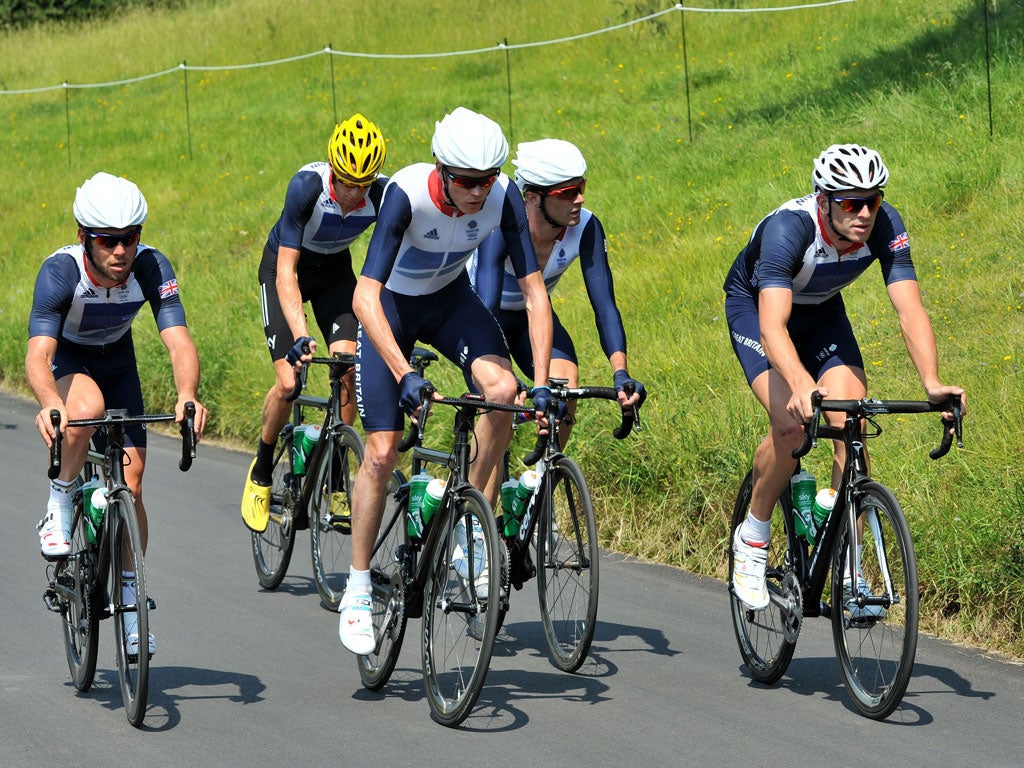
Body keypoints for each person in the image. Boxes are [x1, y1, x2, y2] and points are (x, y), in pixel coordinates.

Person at [338, 106, 554, 654]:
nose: (480, 193)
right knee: (383, 452)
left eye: (489, 179)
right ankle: (359, 585)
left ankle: (466, 519)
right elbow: (364, 297)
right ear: (441, 169)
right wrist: (403, 371)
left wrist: (545, 380)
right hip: (392, 310)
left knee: (504, 393)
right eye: (467, 182)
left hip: (450, 301)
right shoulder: (405, 196)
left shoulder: (501, 195)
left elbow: (533, 291)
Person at [723, 143, 965, 613]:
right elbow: (773, 327)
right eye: (851, 202)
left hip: (822, 312)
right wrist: (798, 383)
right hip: (757, 310)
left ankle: (850, 564)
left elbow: (909, 310)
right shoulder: (787, 231)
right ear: (823, 201)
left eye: (872, 200)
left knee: (849, 418)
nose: (865, 213)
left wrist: (932, 382)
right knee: (791, 425)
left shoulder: (886, 225)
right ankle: (751, 540)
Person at [27, 171, 209, 656]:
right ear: (85, 237)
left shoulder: (152, 267)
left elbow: (179, 341)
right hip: (70, 362)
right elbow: (38, 355)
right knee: (86, 408)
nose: (121, 251)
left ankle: (131, 603)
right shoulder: (61, 272)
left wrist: (187, 394)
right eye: (109, 241)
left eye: (130, 238)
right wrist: (50, 402)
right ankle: (60, 502)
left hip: (117, 362)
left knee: (133, 483)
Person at [240, 114, 388, 533]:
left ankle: (336, 476)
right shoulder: (306, 187)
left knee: (348, 371)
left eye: (364, 183)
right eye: (346, 182)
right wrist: (301, 334)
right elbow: (286, 270)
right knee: (290, 382)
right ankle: (263, 469)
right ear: (332, 170)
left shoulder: (381, 195)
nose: (354, 193)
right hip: (286, 267)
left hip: (335, 273)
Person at [469, 138, 646, 450]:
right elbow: (486, 309)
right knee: (503, 402)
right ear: (534, 198)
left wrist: (621, 373)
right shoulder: (502, 227)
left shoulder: (587, 227)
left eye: (582, 188)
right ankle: (480, 492)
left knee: (566, 388)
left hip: (532, 317)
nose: (578, 199)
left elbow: (605, 307)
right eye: (567, 193)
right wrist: (508, 378)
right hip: (482, 316)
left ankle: (542, 485)